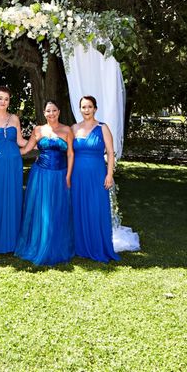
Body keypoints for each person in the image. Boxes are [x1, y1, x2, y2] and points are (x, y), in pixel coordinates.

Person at [15, 100, 75, 265]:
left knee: (57, 209)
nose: (51, 114)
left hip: (60, 175)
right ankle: (39, 243)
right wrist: (2, 153)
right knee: (41, 210)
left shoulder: (66, 130)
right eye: (48, 111)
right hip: (40, 175)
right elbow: (27, 149)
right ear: (44, 113)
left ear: (59, 111)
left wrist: (69, 175)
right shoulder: (38, 130)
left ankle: (56, 244)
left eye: (54, 110)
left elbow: (70, 154)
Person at [71, 96, 120, 262]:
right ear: (80, 109)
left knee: (96, 208)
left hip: (97, 174)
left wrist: (110, 174)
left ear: (95, 109)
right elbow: (67, 152)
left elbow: (111, 153)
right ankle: (81, 246)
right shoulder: (74, 128)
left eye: (89, 107)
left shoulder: (103, 127)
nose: (86, 110)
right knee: (79, 207)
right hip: (78, 175)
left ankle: (98, 245)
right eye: (83, 107)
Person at [0, 86, 27, 253]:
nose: (3, 101)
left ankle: (13, 240)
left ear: (9, 101)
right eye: (0, 98)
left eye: (6, 99)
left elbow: (20, 141)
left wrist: (41, 140)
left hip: (14, 164)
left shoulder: (15, 118)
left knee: (13, 197)